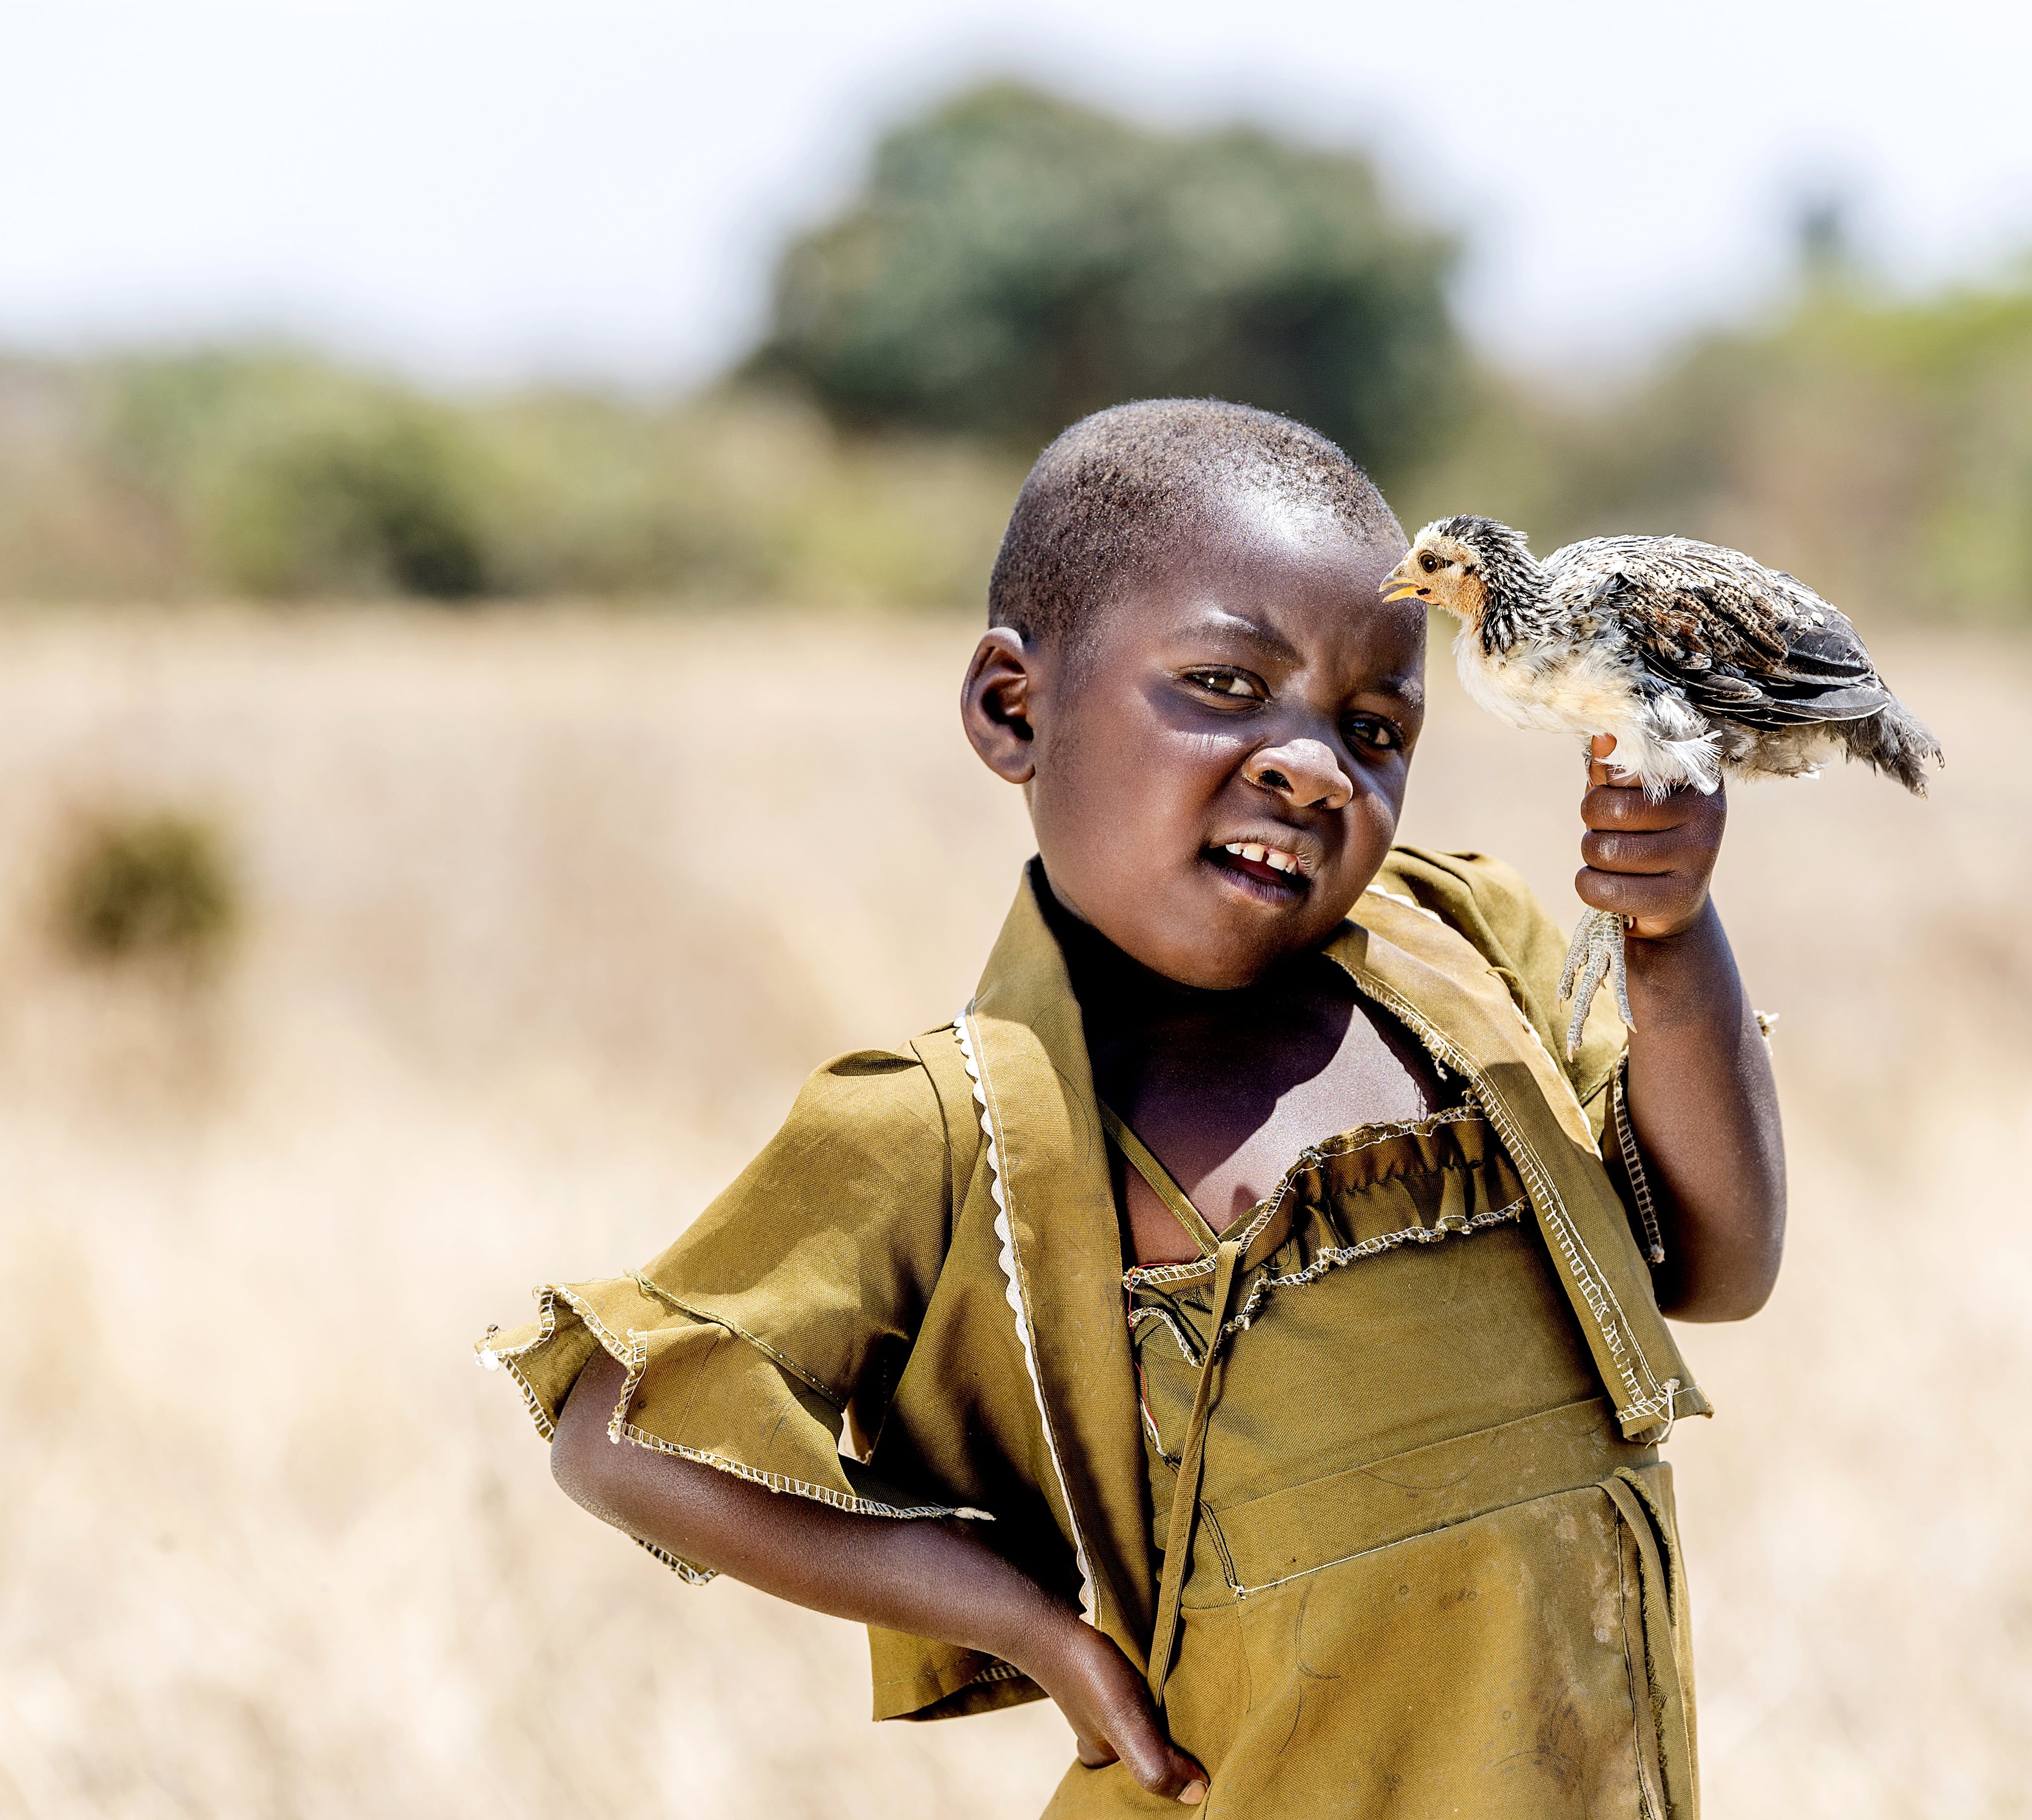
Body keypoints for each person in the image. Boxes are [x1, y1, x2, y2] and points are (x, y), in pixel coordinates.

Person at [480, 399, 1785, 1818]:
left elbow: (1719, 1268)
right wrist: (1020, 1617)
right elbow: (616, 1426)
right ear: (1012, 708)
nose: (1311, 766)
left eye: (1375, 727)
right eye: (1227, 687)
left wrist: (1669, 940)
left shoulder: (1468, 950)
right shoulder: (952, 1123)